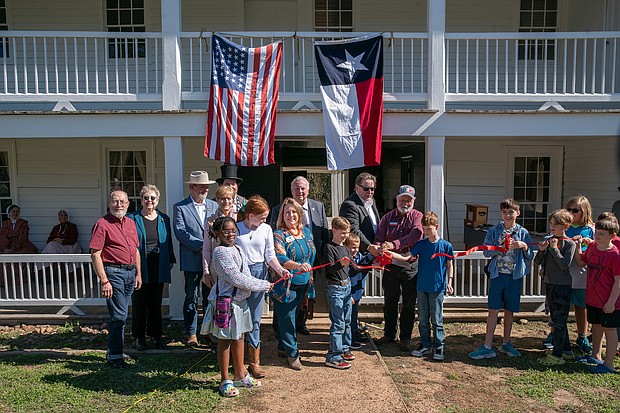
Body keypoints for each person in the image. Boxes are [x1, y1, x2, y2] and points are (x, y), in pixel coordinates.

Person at [200, 216, 272, 397]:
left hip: (239, 302)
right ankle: (225, 380)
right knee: (225, 340)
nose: (231, 234)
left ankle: (240, 375)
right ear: (217, 233)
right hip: (226, 303)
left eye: (233, 230)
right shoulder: (220, 252)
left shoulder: (238, 249)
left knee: (239, 337)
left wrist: (261, 283)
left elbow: (245, 274)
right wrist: (262, 285)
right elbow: (235, 278)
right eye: (226, 231)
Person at [469, 198, 534, 360]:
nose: (507, 215)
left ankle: (506, 343)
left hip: (514, 276)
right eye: (504, 212)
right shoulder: (494, 231)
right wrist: (499, 248)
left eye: (511, 212)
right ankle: (487, 346)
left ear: (517, 213)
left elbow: (530, 255)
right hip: (497, 275)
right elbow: (486, 251)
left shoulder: (523, 232)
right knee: (493, 309)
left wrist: (523, 246)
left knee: (509, 310)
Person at [232, 195, 289, 378]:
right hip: (240, 274)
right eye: (261, 217)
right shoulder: (236, 229)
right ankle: (238, 361)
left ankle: (254, 362)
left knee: (255, 319)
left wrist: (281, 271)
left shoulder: (266, 229)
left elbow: (269, 255)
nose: (264, 220)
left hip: (259, 273)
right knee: (239, 318)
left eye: (265, 217)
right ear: (249, 215)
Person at [389, 211, 454, 361]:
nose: (426, 232)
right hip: (422, 286)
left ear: (436, 227)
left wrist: (449, 282)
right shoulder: (421, 244)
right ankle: (425, 344)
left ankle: (439, 346)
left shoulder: (445, 246)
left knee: (436, 320)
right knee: (423, 319)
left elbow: (450, 264)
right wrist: (392, 254)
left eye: (429, 229)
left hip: (437, 288)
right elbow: (407, 257)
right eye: (424, 229)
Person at [269, 176, 329, 335]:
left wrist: (322, 258)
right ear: (291, 190)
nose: (300, 191)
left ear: (308, 190)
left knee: (305, 294)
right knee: (285, 296)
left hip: (310, 261)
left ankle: (300, 323)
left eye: (303, 188)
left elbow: (324, 235)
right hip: (286, 264)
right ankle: (279, 326)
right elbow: (273, 236)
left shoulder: (319, 207)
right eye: (297, 188)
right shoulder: (278, 210)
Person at [89, 190, 141, 368]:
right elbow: (95, 254)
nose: (119, 204)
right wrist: (104, 280)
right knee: (119, 316)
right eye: (115, 201)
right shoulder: (102, 224)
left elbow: (135, 251)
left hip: (129, 273)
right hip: (113, 273)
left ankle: (117, 351)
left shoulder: (131, 223)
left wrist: (138, 273)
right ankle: (114, 355)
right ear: (109, 204)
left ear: (128, 204)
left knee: (122, 315)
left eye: (122, 201)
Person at [373, 185, 423, 352]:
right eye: (402, 200)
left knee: (408, 304)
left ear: (413, 201)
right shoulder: (387, 218)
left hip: (410, 267)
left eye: (409, 201)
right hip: (391, 267)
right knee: (390, 302)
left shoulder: (417, 217)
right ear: (397, 200)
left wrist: (393, 244)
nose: (405, 203)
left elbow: (415, 235)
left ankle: (406, 337)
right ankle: (389, 334)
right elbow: (379, 238)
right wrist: (380, 249)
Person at [127, 185, 176, 351]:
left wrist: (170, 259)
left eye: (152, 198)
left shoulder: (164, 218)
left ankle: (156, 336)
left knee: (156, 302)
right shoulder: (132, 218)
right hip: (140, 264)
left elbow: (167, 242)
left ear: (157, 200)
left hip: (158, 264)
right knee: (140, 302)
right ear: (141, 200)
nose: (149, 201)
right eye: (146, 198)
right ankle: (139, 337)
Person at [173, 170, 218, 346]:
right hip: (192, 258)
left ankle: (208, 330)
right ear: (192, 187)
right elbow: (181, 233)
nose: (205, 190)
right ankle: (191, 333)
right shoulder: (181, 207)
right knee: (191, 296)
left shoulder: (213, 206)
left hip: (211, 261)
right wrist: (202, 246)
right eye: (201, 187)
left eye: (207, 187)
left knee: (210, 296)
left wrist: (210, 249)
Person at [547, 195, 594, 355]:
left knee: (580, 306)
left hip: (580, 272)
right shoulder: (562, 226)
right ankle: (554, 334)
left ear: (584, 212)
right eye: (569, 209)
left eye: (576, 210)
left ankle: (582, 336)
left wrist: (586, 242)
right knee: (558, 306)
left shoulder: (591, 229)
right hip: (560, 273)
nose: (572, 213)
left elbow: (595, 249)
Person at [272, 197, 315, 371]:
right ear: (282, 214)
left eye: (294, 212)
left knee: (294, 316)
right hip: (285, 284)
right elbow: (280, 258)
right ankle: (293, 353)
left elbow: (312, 254)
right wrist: (297, 265)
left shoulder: (306, 232)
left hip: (304, 282)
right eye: (287, 212)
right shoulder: (278, 235)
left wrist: (309, 272)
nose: (291, 215)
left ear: (300, 214)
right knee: (287, 319)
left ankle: (283, 347)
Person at [574, 217, 620, 374]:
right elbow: (581, 262)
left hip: (608, 302)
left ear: (612, 236)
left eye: (602, 234)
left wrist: (612, 302)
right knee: (596, 327)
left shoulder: (615, 255)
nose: (597, 236)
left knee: (610, 330)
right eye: (597, 233)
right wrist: (578, 246)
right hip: (593, 299)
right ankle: (596, 356)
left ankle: (609, 364)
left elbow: (618, 281)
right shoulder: (592, 247)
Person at [535, 209, 577, 366]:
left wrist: (554, 249)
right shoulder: (548, 240)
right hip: (549, 284)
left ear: (565, 226)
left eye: (556, 224)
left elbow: (564, 264)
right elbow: (538, 261)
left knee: (559, 321)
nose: (552, 227)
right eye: (551, 223)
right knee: (557, 318)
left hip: (562, 286)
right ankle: (567, 351)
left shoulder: (569, 243)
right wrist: (542, 250)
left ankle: (557, 355)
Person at [322, 216, 354, 369]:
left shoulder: (345, 248)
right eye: (342, 233)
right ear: (334, 230)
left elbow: (352, 268)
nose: (345, 236)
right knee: (338, 322)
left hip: (347, 286)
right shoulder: (329, 248)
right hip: (335, 287)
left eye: (347, 233)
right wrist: (340, 263)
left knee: (347, 320)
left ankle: (345, 348)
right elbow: (328, 270)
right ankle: (333, 356)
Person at [339, 172, 381, 256]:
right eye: (366, 188)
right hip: (359, 253)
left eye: (372, 189)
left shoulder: (372, 201)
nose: (370, 192)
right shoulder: (350, 205)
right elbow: (353, 230)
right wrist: (369, 247)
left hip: (375, 250)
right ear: (357, 187)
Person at [345, 233, 375, 349]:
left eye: (357, 247)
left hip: (357, 290)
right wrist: (371, 256)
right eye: (353, 247)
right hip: (349, 292)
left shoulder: (359, 255)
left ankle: (355, 333)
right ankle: (349, 338)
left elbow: (364, 265)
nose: (355, 250)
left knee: (354, 314)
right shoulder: (347, 259)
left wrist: (373, 263)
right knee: (348, 317)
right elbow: (356, 269)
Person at [202, 184, 238, 278]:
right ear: (217, 200)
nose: (226, 202)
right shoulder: (210, 221)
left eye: (229, 198)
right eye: (222, 198)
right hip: (217, 267)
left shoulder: (239, 218)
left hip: (237, 266)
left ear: (233, 200)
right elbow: (207, 248)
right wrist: (206, 272)